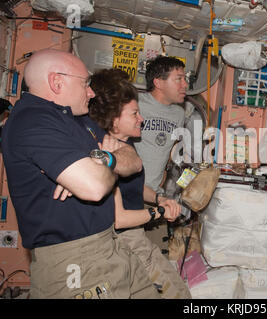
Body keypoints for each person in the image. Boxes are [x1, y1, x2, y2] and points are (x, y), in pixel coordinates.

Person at [1, 49, 160, 299]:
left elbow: (133, 160)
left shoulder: (80, 121)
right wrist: (103, 166)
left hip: (110, 246)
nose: (91, 92)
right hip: (75, 259)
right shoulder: (32, 121)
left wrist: (103, 161)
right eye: (85, 83)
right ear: (56, 81)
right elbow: (95, 187)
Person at [85, 68, 192, 299]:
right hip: (123, 240)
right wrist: (160, 211)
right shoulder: (108, 154)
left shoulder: (127, 148)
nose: (141, 119)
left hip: (136, 235)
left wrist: (158, 198)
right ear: (114, 120)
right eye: (134, 114)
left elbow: (132, 188)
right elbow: (119, 218)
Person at [134, 55, 187, 194]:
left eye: (185, 79)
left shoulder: (179, 114)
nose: (185, 84)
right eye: (179, 79)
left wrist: (165, 170)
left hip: (154, 193)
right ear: (158, 83)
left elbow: (169, 149)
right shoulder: (136, 104)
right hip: (127, 192)